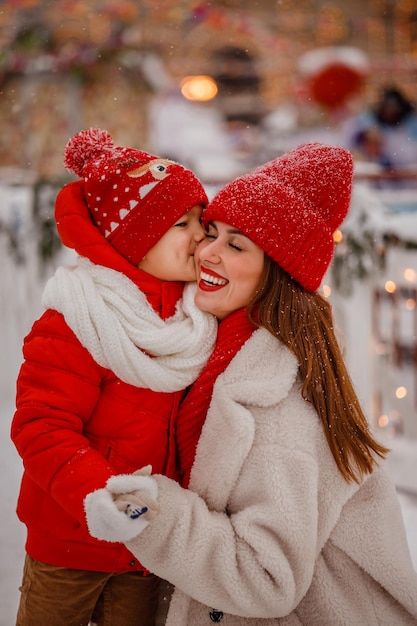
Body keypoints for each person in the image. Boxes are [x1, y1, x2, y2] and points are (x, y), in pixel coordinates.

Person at [85, 142, 417, 625]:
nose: (207, 252)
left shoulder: (279, 405)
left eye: (236, 245)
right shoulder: (224, 353)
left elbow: (266, 579)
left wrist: (152, 513)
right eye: (212, 232)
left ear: (275, 276)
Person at [10, 128, 217, 626]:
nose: (200, 235)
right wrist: (98, 494)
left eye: (199, 220)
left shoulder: (195, 319)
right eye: (180, 224)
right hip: (70, 545)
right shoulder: (80, 318)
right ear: (134, 238)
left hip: (150, 549)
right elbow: (41, 425)